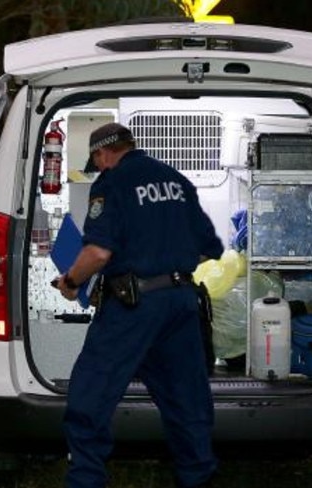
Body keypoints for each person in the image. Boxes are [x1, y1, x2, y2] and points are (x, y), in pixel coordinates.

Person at [55, 122, 224, 488]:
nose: (98, 167)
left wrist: (70, 282)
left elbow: (98, 252)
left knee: (91, 393)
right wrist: (166, 256)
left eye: (97, 161)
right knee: (186, 399)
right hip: (181, 303)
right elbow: (211, 246)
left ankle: (85, 480)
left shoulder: (112, 182)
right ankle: (199, 477)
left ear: (103, 153)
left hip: (133, 307)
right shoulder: (176, 181)